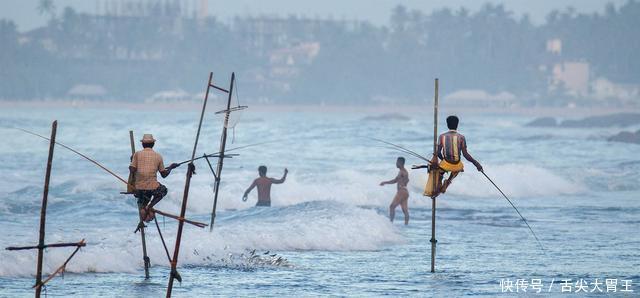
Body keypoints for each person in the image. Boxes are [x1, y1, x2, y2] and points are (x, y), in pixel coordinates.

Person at [129, 134, 179, 222]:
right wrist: (171, 167)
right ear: (153, 144)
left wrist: (133, 161)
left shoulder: (137, 154)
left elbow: (132, 169)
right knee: (163, 190)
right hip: (152, 188)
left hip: (139, 188)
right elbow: (164, 174)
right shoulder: (158, 156)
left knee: (142, 205)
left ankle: (145, 213)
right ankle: (150, 206)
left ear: (142, 144)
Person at [434, 115, 483, 194]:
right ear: (457, 125)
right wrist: (476, 164)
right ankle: (449, 181)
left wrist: (442, 159)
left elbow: (438, 153)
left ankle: (440, 180)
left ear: (447, 125)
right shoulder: (461, 137)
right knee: (459, 168)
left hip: (446, 163)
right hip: (456, 164)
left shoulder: (441, 136)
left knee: (440, 169)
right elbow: (465, 155)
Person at [380, 157, 410, 225]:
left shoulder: (403, 172)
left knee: (392, 207)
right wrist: (385, 182)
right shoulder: (401, 171)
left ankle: (390, 223)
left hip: (401, 192)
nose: (396, 163)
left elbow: (404, 180)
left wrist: (384, 182)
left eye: (397, 162)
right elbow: (397, 180)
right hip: (405, 191)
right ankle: (406, 225)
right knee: (405, 211)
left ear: (400, 163)